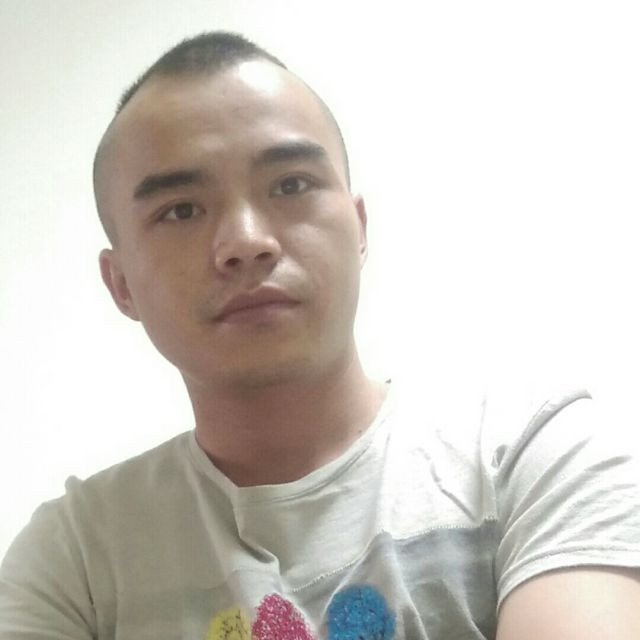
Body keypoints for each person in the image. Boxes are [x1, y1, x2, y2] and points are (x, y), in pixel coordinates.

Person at [1, 31, 638, 639]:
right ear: (121, 285)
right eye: (181, 210)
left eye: (291, 185)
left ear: (359, 228)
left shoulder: (532, 455)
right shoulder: (74, 558)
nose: (246, 241)